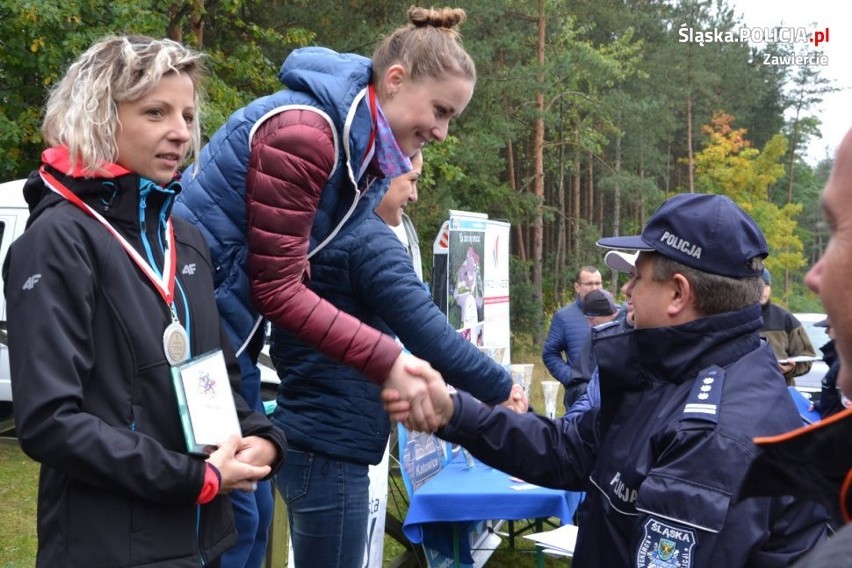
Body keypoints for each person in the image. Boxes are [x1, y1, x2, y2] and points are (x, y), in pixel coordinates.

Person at [173, 6, 470, 564]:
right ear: (397, 79)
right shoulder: (307, 134)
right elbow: (277, 289)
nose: (442, 131)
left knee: (253, 513)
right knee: (231, 524)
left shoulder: (363, 160)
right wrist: (388, 361)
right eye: (440, 111)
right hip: (193, 348)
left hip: (228, 348)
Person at [388, 193, 831, 567]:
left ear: (678, 293)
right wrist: (454, 412)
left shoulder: (713, 434)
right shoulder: (677, 372)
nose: (625, 291)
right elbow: (568, 449)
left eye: (637, 277)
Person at [2, 36, 287, 567]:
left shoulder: (186, 238)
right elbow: (50, 421)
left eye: (186, 114)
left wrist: (261, 438)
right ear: (98, 116)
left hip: (201, 541)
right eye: (155, 112)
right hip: (108, 549)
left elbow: (218, 375)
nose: (180, 132)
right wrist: (195, 478)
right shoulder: (57, 240)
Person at [270, 151, 521, 567]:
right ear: (380, 176)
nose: (416, 196)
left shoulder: (323, 224)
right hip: (329, 446)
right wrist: (501, 387)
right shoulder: (365, 238)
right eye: (412, 181)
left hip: (311, 436)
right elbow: (430, 333)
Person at [739, 129, 852, 566]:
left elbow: (809, 355)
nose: (813, 276)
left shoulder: (785, 317)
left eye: (836, 231)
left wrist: (791, 368)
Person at [542, 265, 603, 407]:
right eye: (589, 284)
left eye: (598, 283)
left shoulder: (616, 314)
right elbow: (550, 354)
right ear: (577, 287)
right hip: (580, 398)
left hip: (612, 393)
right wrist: (571, 378)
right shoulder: (564, 317)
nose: (595, 288)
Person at [558, 288, 620, 411]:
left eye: (591, 319)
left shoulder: (624, 331)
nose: (589, 324)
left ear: (607, 315)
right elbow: (578, 381)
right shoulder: (596, 335)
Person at [759, 268, 817, 385]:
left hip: (780, 392)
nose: (762, 291)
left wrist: (790, 369)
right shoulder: (736, 318)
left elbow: (807, 357)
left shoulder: (785, 318)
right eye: (757, 286)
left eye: (766, 285)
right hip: (745, 393)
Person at [377, 150, 424, 280]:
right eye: (412, 180)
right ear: (384, 174)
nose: (414, 196)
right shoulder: (371, 243)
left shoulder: (405, 229)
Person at [809, 318, 846, 419]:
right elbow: (839, 403)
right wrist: (822, 405)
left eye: (829, 327)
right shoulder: (839, 359)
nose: (826, 332)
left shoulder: (845, 363)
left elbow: (846, 408)